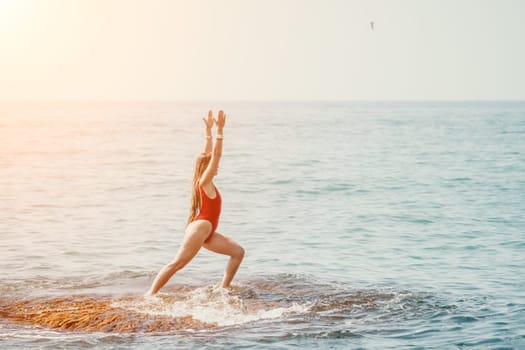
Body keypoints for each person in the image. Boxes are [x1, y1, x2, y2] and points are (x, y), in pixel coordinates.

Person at [145, 110, 245, 296]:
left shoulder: (205, 181)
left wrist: (208, 132)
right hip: (200, 229)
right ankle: (150, 294)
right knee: (177, 264)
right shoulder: (204, 182)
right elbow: (214, 156)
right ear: (206, 168)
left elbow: (207, 154)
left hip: (208, 231)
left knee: (238, 252)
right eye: (212, 166)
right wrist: (220, 132)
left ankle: (224, 288)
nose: (216, 167)